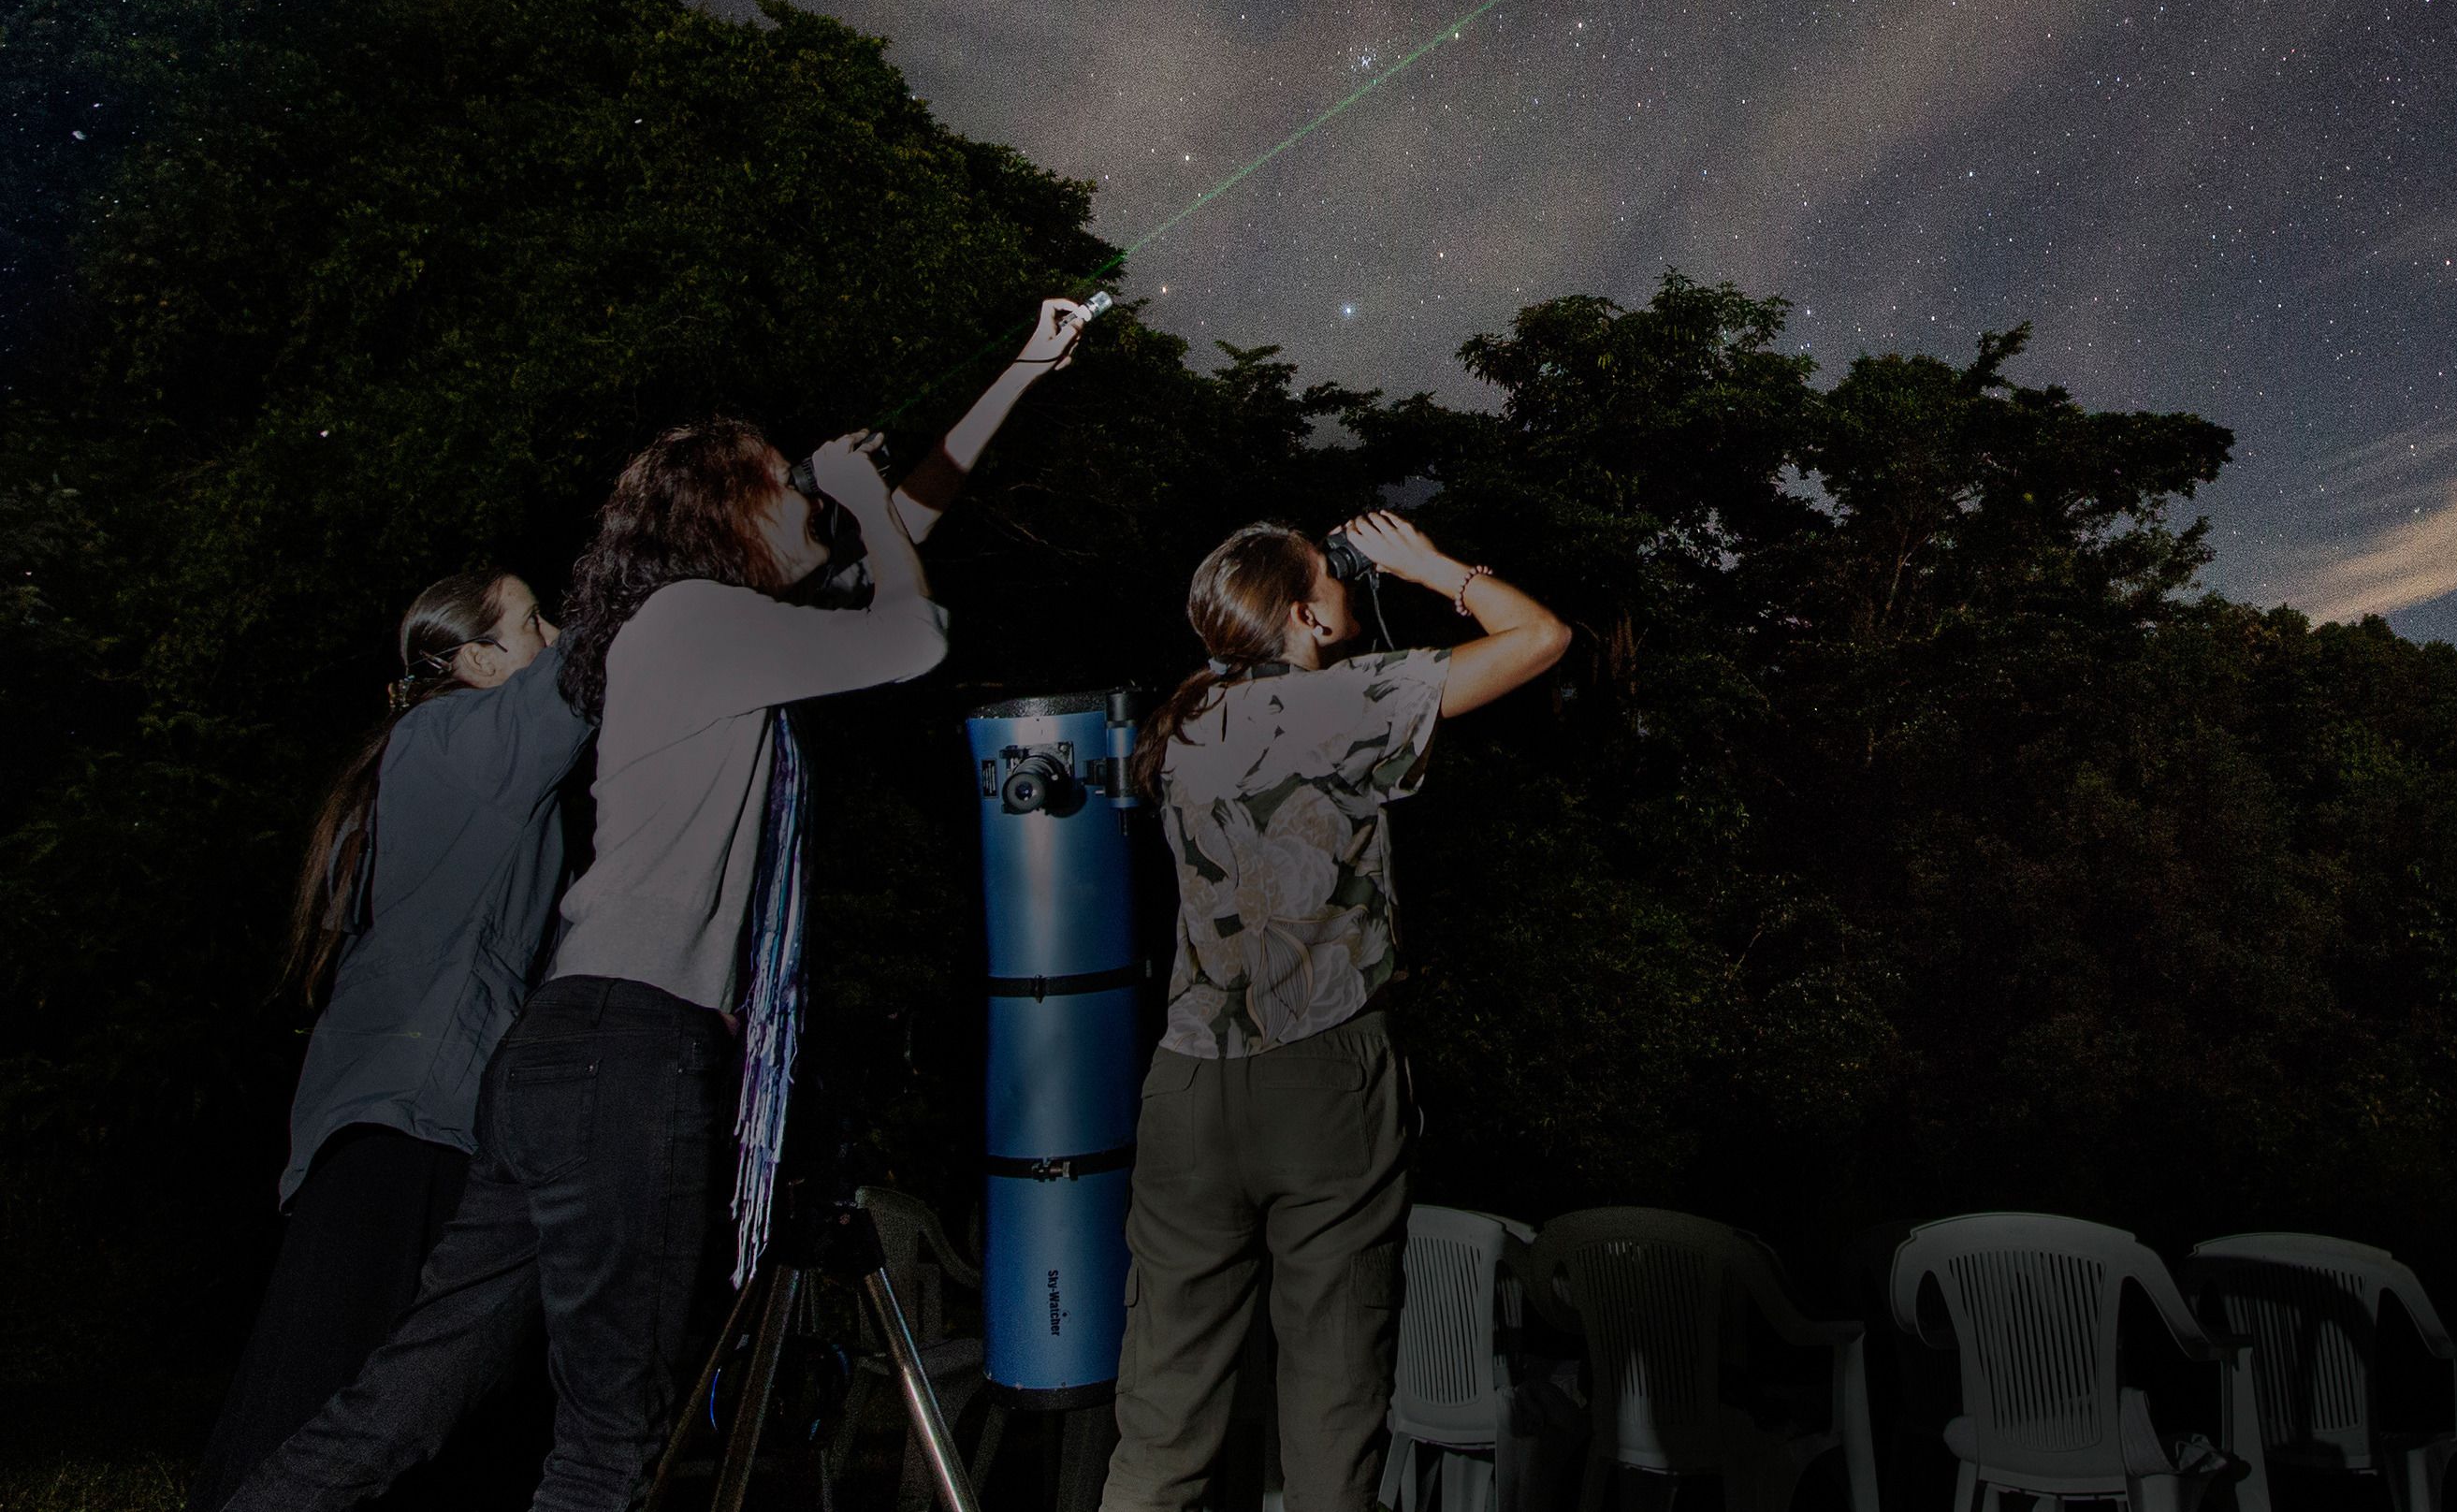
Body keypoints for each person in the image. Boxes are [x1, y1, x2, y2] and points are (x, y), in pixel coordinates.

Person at [225, 294, 1098, 1512]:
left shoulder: (701, 632)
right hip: (627, 1053)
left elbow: (895, 534)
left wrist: (1020, 371)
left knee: (402, 1407)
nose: (808, 498)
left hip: (563, 1058)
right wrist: (848, 496)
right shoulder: (692, 625)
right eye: (781, 484)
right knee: (606, 1443)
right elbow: (911, 632)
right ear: (725, 516)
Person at [1103, 508, 1571, 1512]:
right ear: (1305, 617)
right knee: (1330, 1404)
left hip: (1185, 1080)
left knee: (1161, 1412)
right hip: (1318, 1074)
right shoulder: (1345, 701)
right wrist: (1428, 565)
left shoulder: (1178, 721)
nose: (1350, 586)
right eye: (1335, 577)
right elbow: (1540, 639)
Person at [190, 567, 580, 1512]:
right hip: (405, 1122)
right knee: (318, 1409)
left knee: (399, 1414)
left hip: (418, 1118)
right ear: (482, 658)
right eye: (537, 622)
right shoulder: (455, 737)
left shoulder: (465, 747)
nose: (558, 633)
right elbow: (594, 674)